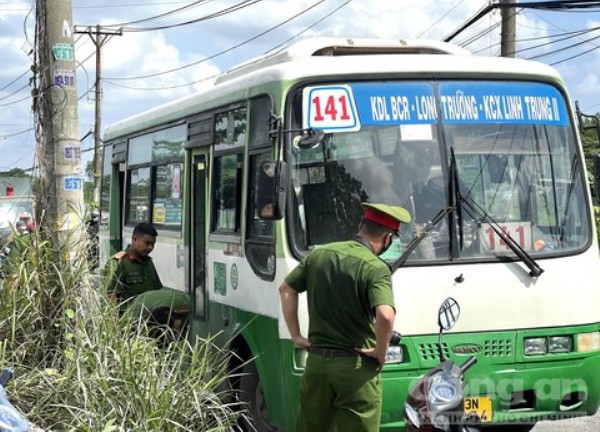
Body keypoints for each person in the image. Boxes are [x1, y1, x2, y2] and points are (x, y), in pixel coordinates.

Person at [279, 202, 411, 432]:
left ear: (361, 225)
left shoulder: (318, 255)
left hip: (317, 366)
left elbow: (286, 290)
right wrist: (380, 351)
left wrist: (297, 336)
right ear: (388, 239)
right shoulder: (375, 268)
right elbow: (385, 315)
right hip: (356, 370)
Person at [103, 223, 163, 307]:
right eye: (147, 243)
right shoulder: (118, 262)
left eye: (153, 244)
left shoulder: (148, 262)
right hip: (129, 317)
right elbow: (111, 296)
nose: (150, 247)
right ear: (135, 239)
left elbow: (157, 291)